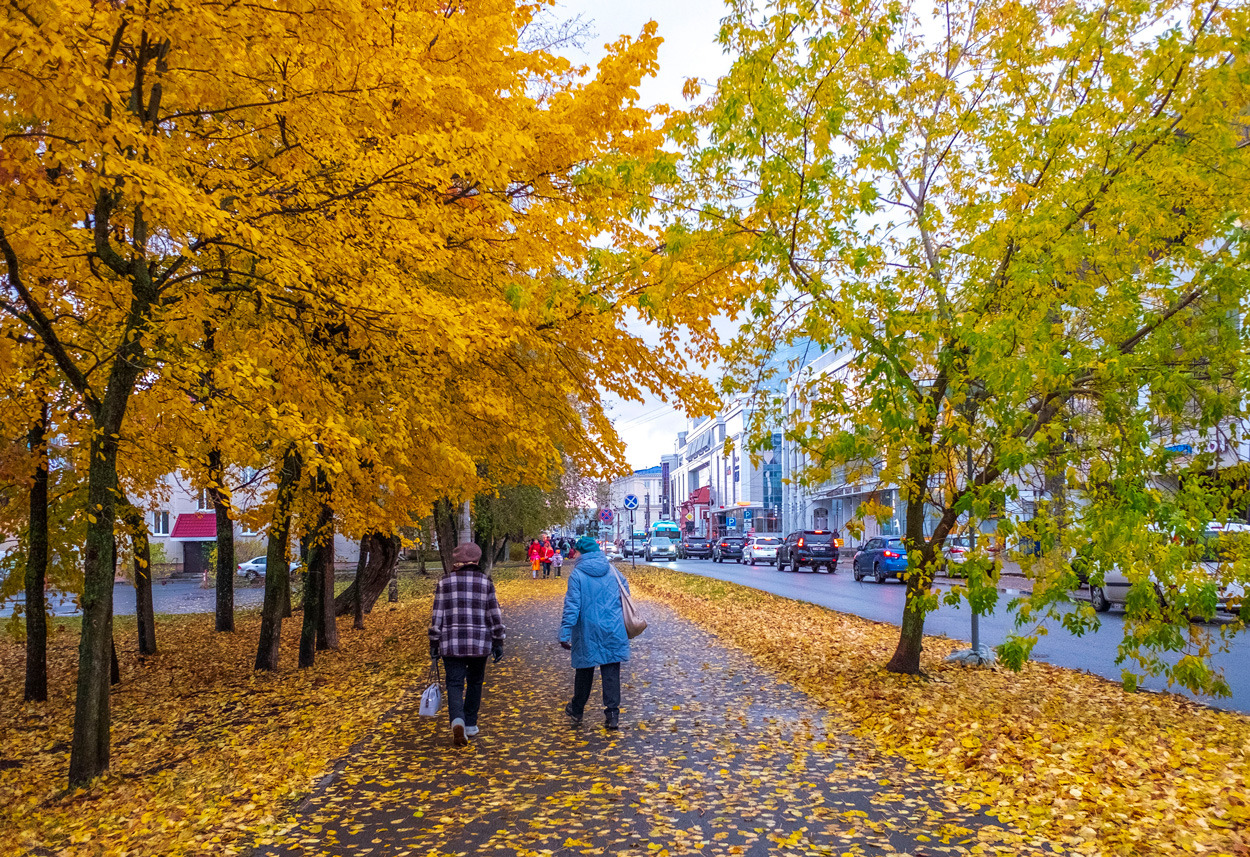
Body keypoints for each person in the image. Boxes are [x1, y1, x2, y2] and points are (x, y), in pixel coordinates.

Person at [428, 542, 505, 747]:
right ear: (477, 560)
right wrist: (498, 640)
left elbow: (437, 615)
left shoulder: (445, 582)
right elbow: (494, 614)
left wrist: (434, 641)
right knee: (475, 682)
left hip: (451, 643)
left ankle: (457, 721)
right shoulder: (485, 582)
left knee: (454, 683)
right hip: (479, 643)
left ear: (457, 561)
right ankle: (470, 724)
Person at [559, 535, 630, 730]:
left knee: (584, 670)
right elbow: (625, 596)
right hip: (613, 628)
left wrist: (565, 633)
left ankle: (577, 710)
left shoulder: (577, 575)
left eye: (576, 552)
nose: (574, 555)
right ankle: (612, 715)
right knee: (611, 671)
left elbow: (572, 606)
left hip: (587, 629)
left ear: (581, 553)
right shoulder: (613, 571)